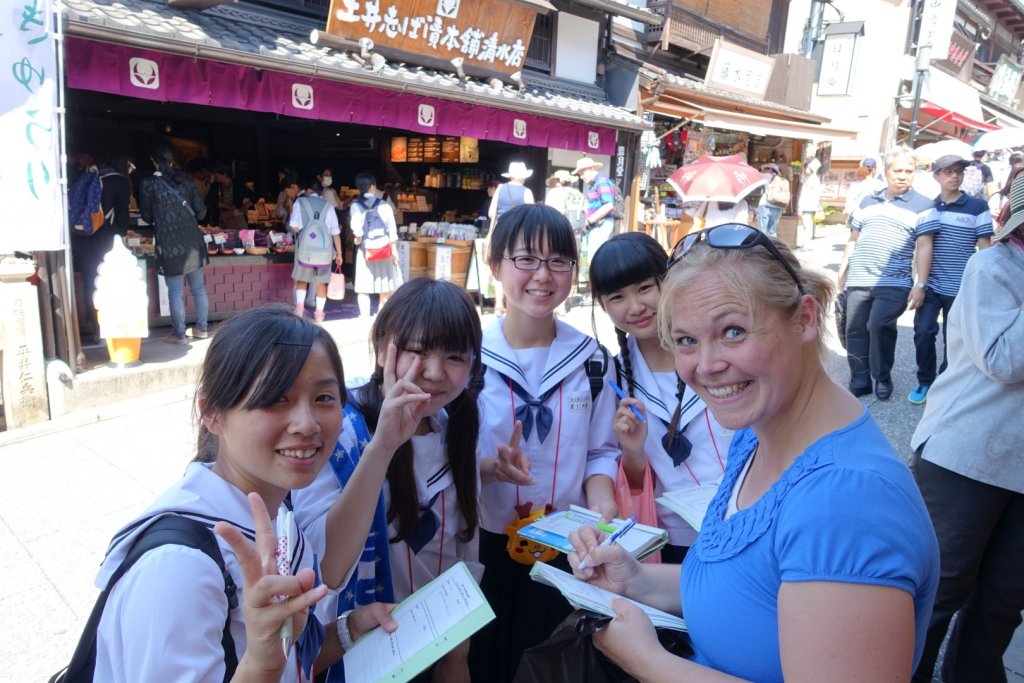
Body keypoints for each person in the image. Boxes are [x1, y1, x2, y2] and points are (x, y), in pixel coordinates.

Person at [568, 223, 940, 683]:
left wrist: (647, 661)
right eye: (686, 340)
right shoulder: (757, 433)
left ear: (804, 319)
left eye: (733, 331)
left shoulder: (847, 504)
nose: (706, 366)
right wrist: (636, 582)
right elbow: (748, 589)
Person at [89, 306, 424, 682]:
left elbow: (297, 642)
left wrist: (346, 632)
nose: (306, 423)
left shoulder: (273, 515)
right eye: (274, 398)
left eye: (324, 398)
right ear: (212, 414)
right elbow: (266, 662)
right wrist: (261, 666)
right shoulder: (180, 568)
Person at [294, 278, 483, 683]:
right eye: (416, 351)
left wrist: (457, 654)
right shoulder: (338, 432)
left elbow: (463, 544)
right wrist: (383, 445)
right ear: (383, 349)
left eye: (454, 357)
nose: (433, 373)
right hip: (358, 646)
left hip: (435, 637)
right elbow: (326, 566)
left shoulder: (459, 422)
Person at [469, 204, 620, 682]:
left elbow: (601, 451)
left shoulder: (593, 362)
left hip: (565, 544)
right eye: (526, 259)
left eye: (559, 261)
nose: (543, 275)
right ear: (496, 267)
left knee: (550, 660)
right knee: (482, 660)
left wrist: (602, 507)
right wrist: (485, 469)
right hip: (482, 545)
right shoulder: (468, 359)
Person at [909, 176, 1024, 683]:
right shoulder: (993, 266)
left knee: (1004, 598)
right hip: (966, 455)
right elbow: (1004, 360)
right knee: (940, 590)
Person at [589, 232, 731, 562]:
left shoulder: (716, 355)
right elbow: (636, 481)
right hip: (671, 538)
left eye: (644, 288)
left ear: (668, 282)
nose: (635, 306)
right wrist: (632, 449)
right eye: (616, 297)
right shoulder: (617, 377)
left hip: (740, 521)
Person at [837, 146, 935, 400]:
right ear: (886, 171)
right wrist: (843, 268)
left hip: (895, 280)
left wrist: (920, 284)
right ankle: (860, 379)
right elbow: (853, 238)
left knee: (878, 324)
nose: (903, 176)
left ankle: (882, 376)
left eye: (909, 171)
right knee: (855, 329)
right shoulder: (868, 201)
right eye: (898, 170)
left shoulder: (924, 205)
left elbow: (925, 245)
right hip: (859, 277)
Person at [907, 155, 993, 405]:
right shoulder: (927, 207)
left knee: (953, 338)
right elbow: (920, 246)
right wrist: (919, 284)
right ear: (936, 176)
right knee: (923, 332)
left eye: (959, 172)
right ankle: (925, 381)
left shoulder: (978, 207)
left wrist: (984, 284)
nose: (955, 176)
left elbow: (985, 247)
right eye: (948, 172)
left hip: (962, 286)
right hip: (930, 285)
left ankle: (945, 382)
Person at [138, 141, 211, 344]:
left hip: (169, 244)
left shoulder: (148, 184)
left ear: (153, 161)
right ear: (173, 160)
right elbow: (202, 211)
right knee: (198, 288)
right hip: (193, 241)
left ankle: (180, 335)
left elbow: (146, 215)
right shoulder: (186, 181)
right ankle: (202, 329)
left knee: (176, 291)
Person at [70, 153, 132, 342]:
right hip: (106, 238)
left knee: (90, 283)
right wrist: (122, 234)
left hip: (82, 238)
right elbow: (122, 214)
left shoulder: (83, 178)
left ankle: (96, 330)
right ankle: (112, 327)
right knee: (110, 282)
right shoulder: (120, 182)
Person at [289, 178, 343, 323]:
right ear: (320, 192)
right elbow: (335, 232)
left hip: (305, 251)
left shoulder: (300, 203)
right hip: (324, 252)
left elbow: (294, 226)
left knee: (302, 279)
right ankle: (319, 314)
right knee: (321, 283)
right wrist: (339, 253)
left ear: (307, 190)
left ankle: (299, 309)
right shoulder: (328, 206)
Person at [351, 172, 401, 318]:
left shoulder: (356, 206)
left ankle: (365, 317)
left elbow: (357, 232)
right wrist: (394, 251)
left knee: (363, 288)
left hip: (366, 251)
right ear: (372, 187)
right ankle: (381, 316)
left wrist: (357, 241)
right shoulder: (384, 205)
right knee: (384, 286)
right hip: (384, 249)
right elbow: (392, 230)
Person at [488, 162, 536, 316]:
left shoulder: (500, 188)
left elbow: (491, 213)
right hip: (518, 235)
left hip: (499, 232)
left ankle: (498, 305)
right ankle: (513, 304)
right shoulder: (526, 192)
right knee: (515, 268)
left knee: (499, 266)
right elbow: (532, 218)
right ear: (523, 177)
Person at [575, 156, 617, 282]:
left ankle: (601, 287)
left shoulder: (601, 182)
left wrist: (589, 220)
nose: (581, 177)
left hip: (600, 225)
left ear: (591, 169)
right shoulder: (595, 184)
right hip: (596, 225)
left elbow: (609, 205)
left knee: (595, 259)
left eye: (582, 173)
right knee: (591, 258)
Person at [797, 157, 822, 249]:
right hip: (808, 206)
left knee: (807, 226)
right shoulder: (811, 178)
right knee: (806, 226)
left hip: (808, 206)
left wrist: (801, 207)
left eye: (806, 167)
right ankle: (805, 244)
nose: (805, 169)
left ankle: (806, 245)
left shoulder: (813, 179)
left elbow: (808, 195)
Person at [756, 163, 786, 237]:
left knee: (762, 230)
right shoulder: (781, 179)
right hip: (777, 207)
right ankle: (772, 246)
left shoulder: (767, 176)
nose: (763, 170)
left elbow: (755, 174)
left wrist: (762, 170)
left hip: (766, 205)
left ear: (770, 169)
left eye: (766, 168)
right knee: (772, 231)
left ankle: (762, 247)